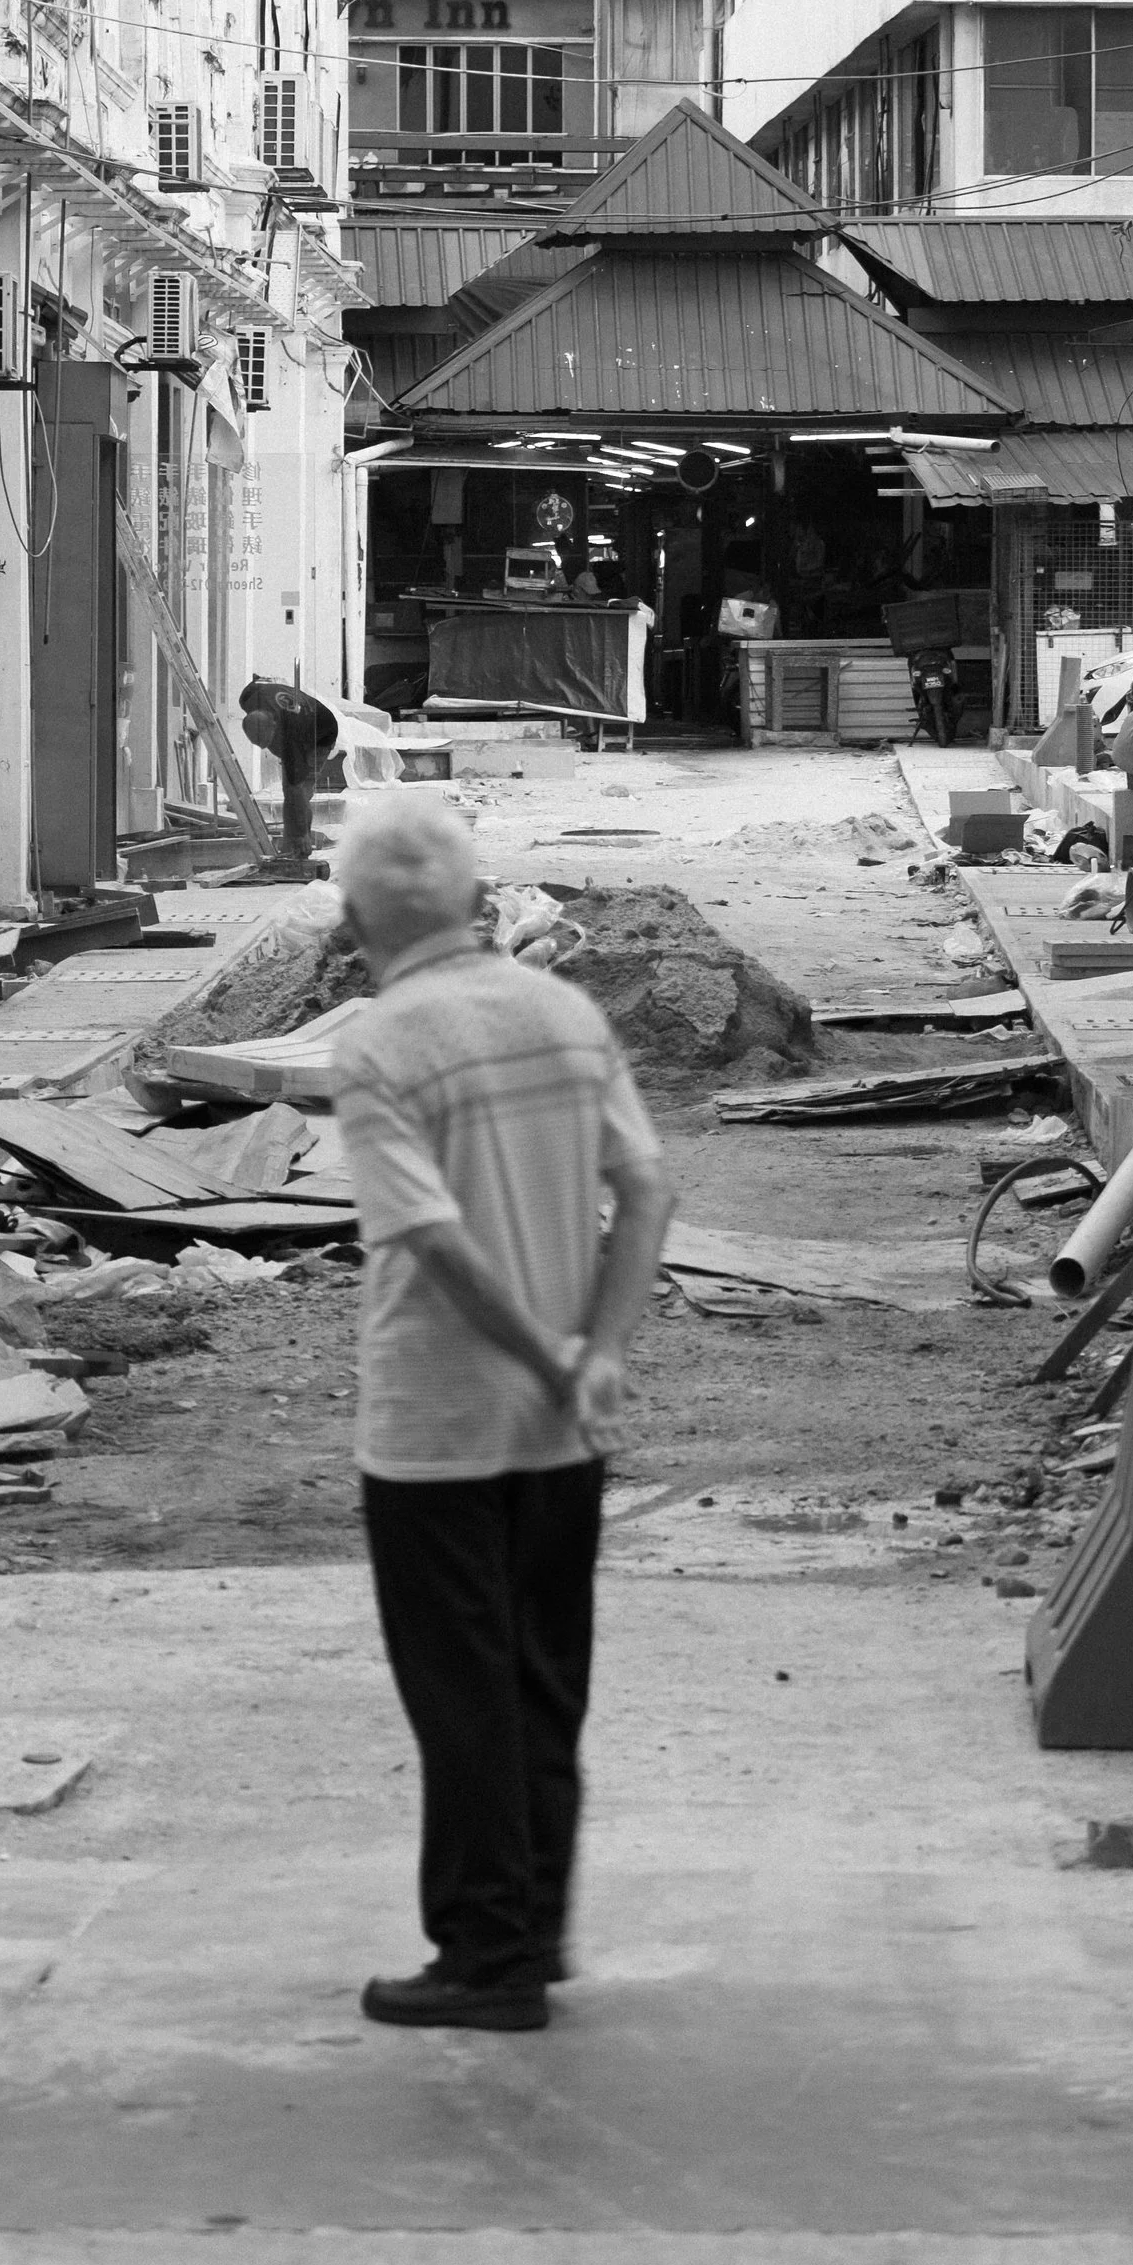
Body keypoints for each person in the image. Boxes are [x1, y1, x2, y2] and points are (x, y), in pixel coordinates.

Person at [327, 796, 673, 2033]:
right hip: (562, 1431)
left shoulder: (379, 1045)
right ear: (479, 902)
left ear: (352, 918)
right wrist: (594, 1354)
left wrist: (543, 1355)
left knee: (461, 1695)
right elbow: (646, 1189)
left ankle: (487, 1961)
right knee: (541, 1684)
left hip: (435, 1429)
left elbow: (430, 1240)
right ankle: (533, 1931)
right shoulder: (564, 1014)